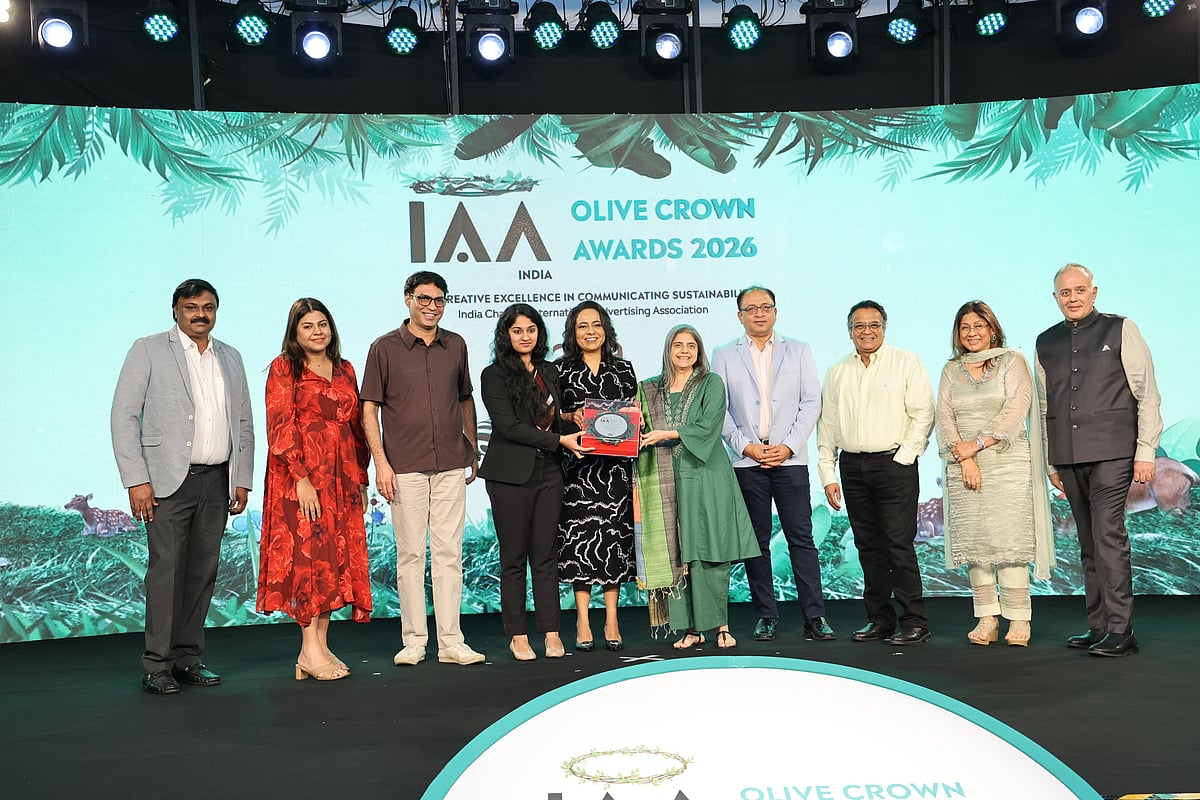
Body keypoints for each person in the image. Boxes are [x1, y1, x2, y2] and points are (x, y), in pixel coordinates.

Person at [111, 279, 255, 695]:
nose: (200, 314)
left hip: (216, 480)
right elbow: (124, 416)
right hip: (166, 483)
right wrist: (137, 479)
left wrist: (241, 477)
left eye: (208, 307)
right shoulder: (149, 349)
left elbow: (243, 422)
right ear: (175, 310)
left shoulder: (231, 356)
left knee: (202, 573)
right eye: (191, 307)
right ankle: (156, 664)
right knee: (166, 573)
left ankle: (188, 659)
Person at [1035, 264, 1162, 657]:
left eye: (1079, 290)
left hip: (1113, 452)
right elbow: (1044, 407)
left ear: (1093, 292)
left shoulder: (1121, 328)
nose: (1072, 297)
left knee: (1108, 535)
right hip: (1067, 457)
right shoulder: (1045, 341)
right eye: (1064, 292)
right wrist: (1051, 463)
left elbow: (1148, 394)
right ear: (1055, 298)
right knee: (1088, 542)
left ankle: (1121, 630)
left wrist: (1146, 452)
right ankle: (1098, 626)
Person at [361, 271, 485, 667]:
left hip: (451, 462)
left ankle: (451, 642)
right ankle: (414, 641)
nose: (432, 306)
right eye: (424, 298)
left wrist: (472, 449)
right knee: (411, 555)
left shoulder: (457, 345)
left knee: (449, 554)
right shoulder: (383, 348)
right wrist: (381, 463)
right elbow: (369, 409)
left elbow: (465, 398)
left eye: (439, 299)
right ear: (407, 299)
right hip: (405, 467)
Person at [257, 299, 372, 681]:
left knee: (333, 562)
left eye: (323, 324)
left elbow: (357, 427)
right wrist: (302, 478)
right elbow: (280, 426)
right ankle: (308, 650)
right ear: (295, 332)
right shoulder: (284, 367)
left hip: (342, 478)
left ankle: (320, 645)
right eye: (308, 326)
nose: (318, 331)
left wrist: (360, 478)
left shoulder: (345, 369)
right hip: (302, 477)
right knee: (309, 560)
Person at [712, 286, 833, 643]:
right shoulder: (723, 354)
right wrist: (745, 446)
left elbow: (811, 402)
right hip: (746, 461)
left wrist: (788, 446)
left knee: (802, 539)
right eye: (751, 309)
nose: (759, 313)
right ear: (740, 316)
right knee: (757, 542)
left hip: (790, 459)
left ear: (776, 312)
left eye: (766, 307)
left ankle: (815, 616)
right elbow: (719, 409)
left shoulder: (798, 350)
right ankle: (766, 615)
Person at [935, 301, 1054, 647]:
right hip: (963, 465)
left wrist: (978, 445)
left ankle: (1019, 619)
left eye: (979, 326)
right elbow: (944, 416)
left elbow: (1016, 409)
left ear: (992, 329)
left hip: (1006, 462)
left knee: (1008, 542)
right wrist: (965, 457)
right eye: (965, 327)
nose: (972, 333)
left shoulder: (1011, 361)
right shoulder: (951, 370)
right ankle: (986, 617)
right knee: (977, 544)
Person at [817, 300, 935, 645]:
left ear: (884, 327)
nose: (866, 331)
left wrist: (905, 456)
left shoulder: (906, 362)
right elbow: (827, 424)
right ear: (849, 330)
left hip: (894, 464)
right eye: (859, 326)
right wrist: (828, 472)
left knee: (898, 545)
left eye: (873, 325)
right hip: (852, 466)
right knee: (867, 546)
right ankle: (880, 619)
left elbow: (923, 413)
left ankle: (915, 621)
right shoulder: (838, 371)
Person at [637, 325, 760, 650]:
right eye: (678, 345)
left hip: (705, 475)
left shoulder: (711, 383)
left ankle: (720, 625)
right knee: (678, 550)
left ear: (699, 351)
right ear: (668, 349)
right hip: (665, 479)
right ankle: (691, 629)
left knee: (710, 550)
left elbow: (709, 425)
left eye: (691, 346)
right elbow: (637, 426)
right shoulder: (650, 389)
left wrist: (669, 434)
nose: (684, 351)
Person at [478, 304, 589, 661]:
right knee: (514, 558)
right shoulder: (493, 375)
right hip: (510, 476)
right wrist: (560, 440)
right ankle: (518, 634)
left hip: (550, 473)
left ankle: (552, 632)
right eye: (517, 331)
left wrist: (571, 419)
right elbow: (510, 428)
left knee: (545, 557)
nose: (525, 336)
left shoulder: (549, 370)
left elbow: (550, 417)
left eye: (531, 330)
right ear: (506, 336)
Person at [555, 301, 638, 652]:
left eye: (596, 324)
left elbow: (633, 411)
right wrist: (569, 416)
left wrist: (636, 421)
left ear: (606, 329)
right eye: (582, 326)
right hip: (577, 469)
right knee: (579, 542)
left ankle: (612, 618)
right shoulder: (559, 370)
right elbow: (550, 417)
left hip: (616, 470)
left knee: (613, 541)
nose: (590, 331)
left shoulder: (623, 369)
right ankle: (583, 619)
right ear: (573, 333)